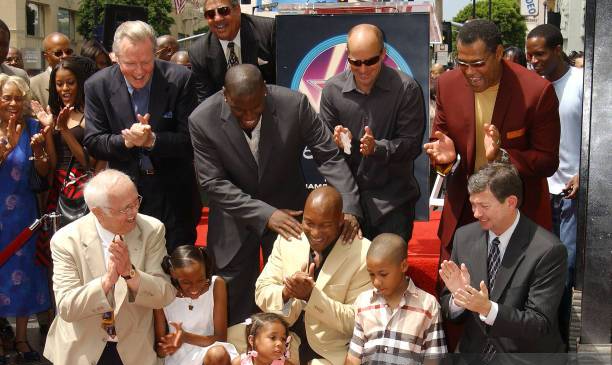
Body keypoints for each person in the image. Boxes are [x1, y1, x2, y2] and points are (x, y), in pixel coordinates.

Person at [190, 64, 362, 325]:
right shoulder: (202, 119)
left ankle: (290, 359)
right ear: (225, 95)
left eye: (255, 108)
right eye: (239, 109)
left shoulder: (294, 104)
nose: (248, 116)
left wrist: (348, 204)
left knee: (292, 293)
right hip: (233, 221)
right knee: (233, 302)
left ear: (265, 92)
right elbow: (213, 183)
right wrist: (267, 214)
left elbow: (327, 155)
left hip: (290, 218)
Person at [436, 163, 567, 365]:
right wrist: (458, 298)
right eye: (472, 205)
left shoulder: (547, 250)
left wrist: (488, 309)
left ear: (511, 202)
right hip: (478, 360)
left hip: (526, 364)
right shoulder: (465, 238)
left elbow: (539, 325)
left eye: (483, 205)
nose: (476, 213)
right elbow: (448, 306)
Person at [43, 169, 175, 365]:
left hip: (133, 347)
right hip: (84, 347)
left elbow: (165, 293)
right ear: (97, 211)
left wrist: (130, 274)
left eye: (135, 202)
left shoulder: (151, 230)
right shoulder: (66, 240)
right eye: (123, 209)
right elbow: (67, 307)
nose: (132, 213)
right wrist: (106, 281)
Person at [424, 19, 560, 262]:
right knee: (455, 294)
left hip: (517, 214)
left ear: (498, 53)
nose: (469, 72)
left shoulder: (536, 92)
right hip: (464, 212)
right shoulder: (448, 84)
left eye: (478, 63)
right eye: (462, 63)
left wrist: (502, 157)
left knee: (511, 296)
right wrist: (447, 158)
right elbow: (441, 141)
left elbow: (547, 161)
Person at [252, 186, 371, 365]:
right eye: (309, 222)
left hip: (328, 352)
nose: (315, 232)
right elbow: (261, 290)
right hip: (287, 345)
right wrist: (286, 292)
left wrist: (312, 297)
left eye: (325, 225)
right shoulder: (289, 239)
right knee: (230, 344)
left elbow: (356, 321)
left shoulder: (363, 252)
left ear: (341, 220)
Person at [84, 20, 200, 252]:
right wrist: (125, 141)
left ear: (155, 54)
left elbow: (191, 141)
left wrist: (152, 140)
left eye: (146, 62)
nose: (139, 72)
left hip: (173, 194)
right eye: (130, 63)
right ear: (114, 57)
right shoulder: (97, 85)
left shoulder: (179, 79)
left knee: (176, 271)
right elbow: (93, 141)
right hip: (125, 198)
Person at [335, 233, 446, 365]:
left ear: (403, 266)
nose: (377, 282)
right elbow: (354, 354)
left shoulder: (427, 305)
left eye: (383, 274)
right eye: (371, 275)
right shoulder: (363, 302)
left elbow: (433, 358)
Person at [320, 24, 426, 242]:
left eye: (370, 61)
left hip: (393, 204)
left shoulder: (406, 89)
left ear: (383, 55)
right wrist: (338, 143)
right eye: (355, 62)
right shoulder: (332, 90)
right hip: (347, 204)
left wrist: (377, 148)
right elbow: (327, 156)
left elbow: (411, 145)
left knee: (387, 274)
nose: (363, 69)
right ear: (347, 57)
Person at [526, 24, 582, 345]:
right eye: (530, 54)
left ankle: (558, 337)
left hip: (571, 194)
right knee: (542, 268)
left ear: (558, 49)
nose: (533, 60)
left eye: (540, 54)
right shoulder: (531, 87)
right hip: (539, 192)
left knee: (566, 268)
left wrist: (583, 174)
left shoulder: (580, 84)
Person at [150, 245, 237, 365]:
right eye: (186, 282)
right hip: (179, 364)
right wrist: (167, 347)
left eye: (200, 279)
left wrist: (185, 337)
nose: (195, 288)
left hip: (211, 361)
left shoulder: (216, 284)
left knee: (219, 353)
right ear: (173, 273)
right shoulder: (162, 294)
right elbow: (159, 349)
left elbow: (220, 339)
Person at [0, 74, 53, 365]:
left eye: (18, 97)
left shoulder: (34, 127)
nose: (13, 103)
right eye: (7, 97)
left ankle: (21, 338)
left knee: (22, 273)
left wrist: (38, 150)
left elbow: (45, 173)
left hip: (23, 212)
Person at [32, 57, 104, 231]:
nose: (64, 89)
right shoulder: (55, 115)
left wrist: (64, 129)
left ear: (80, 83)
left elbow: (89, 162)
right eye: (59, 84)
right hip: (58, 189)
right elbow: (54, 163)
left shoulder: (91, 115)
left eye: (70, 83)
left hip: (83, 188)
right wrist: (49, 128)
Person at [188, 0, 275, 103]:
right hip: (225, 112)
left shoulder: (268, 31)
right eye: (210, 14)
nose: (217, 18)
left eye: (223, 11)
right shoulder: (198, 52)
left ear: (237, 9)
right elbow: (206, 101)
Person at [30, 32, 73, 106]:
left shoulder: (81, 80)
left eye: (68, 52)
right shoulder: (34, 84)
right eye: (58, 53)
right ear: (47, 57)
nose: (65, 56)